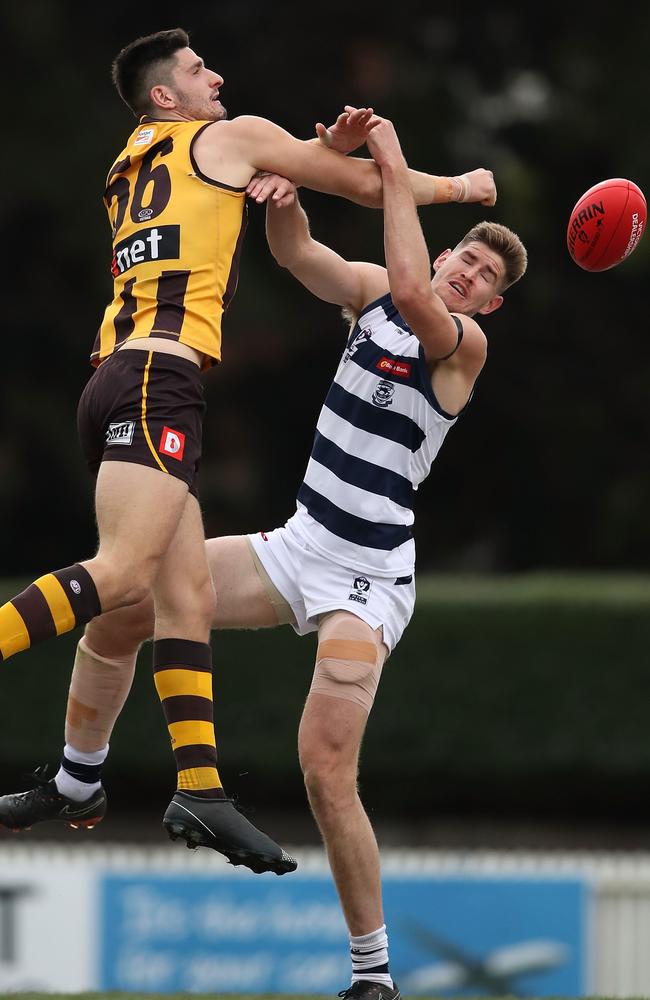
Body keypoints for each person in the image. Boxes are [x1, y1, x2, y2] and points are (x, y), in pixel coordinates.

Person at [0, 112, 526, 999]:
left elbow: (404, 274)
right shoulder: (374, 293)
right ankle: (76, 781)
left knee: (324, 767)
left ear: (488, 303)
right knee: (124, 612)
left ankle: (373, 974)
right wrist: (280, 201)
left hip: (367, 577)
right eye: (464, 260)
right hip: (300, 542)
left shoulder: (459, 343)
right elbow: (299, 256)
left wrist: (393, 158)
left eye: (484, 277)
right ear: (448, 260)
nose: (466, 275)